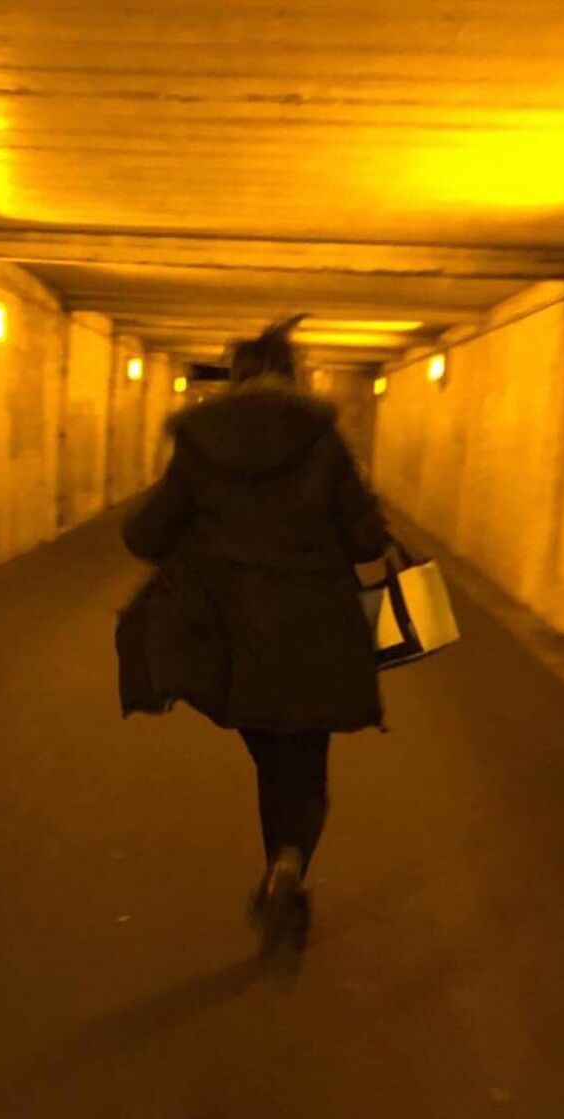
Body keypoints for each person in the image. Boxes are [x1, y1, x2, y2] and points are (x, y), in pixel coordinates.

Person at [116, 316, 393, 954]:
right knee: (306, 763)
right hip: (317, 632)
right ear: (293, 375)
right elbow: (364, 540)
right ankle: (288, 862)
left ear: (237, 376)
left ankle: (281, 864)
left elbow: (146, 536)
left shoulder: (199, 442)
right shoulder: (324, 441)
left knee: (271, 756)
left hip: (234, 639)